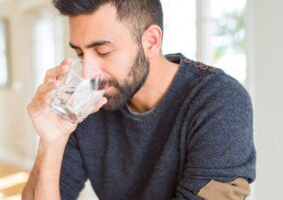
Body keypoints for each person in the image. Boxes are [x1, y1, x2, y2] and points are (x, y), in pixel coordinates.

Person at [22, 0, 256, 200]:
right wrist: (51, 142)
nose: (87, 74)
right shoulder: (87, 102)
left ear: (151, 41)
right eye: (80, 54)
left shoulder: (218, 101)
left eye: (103, 51)